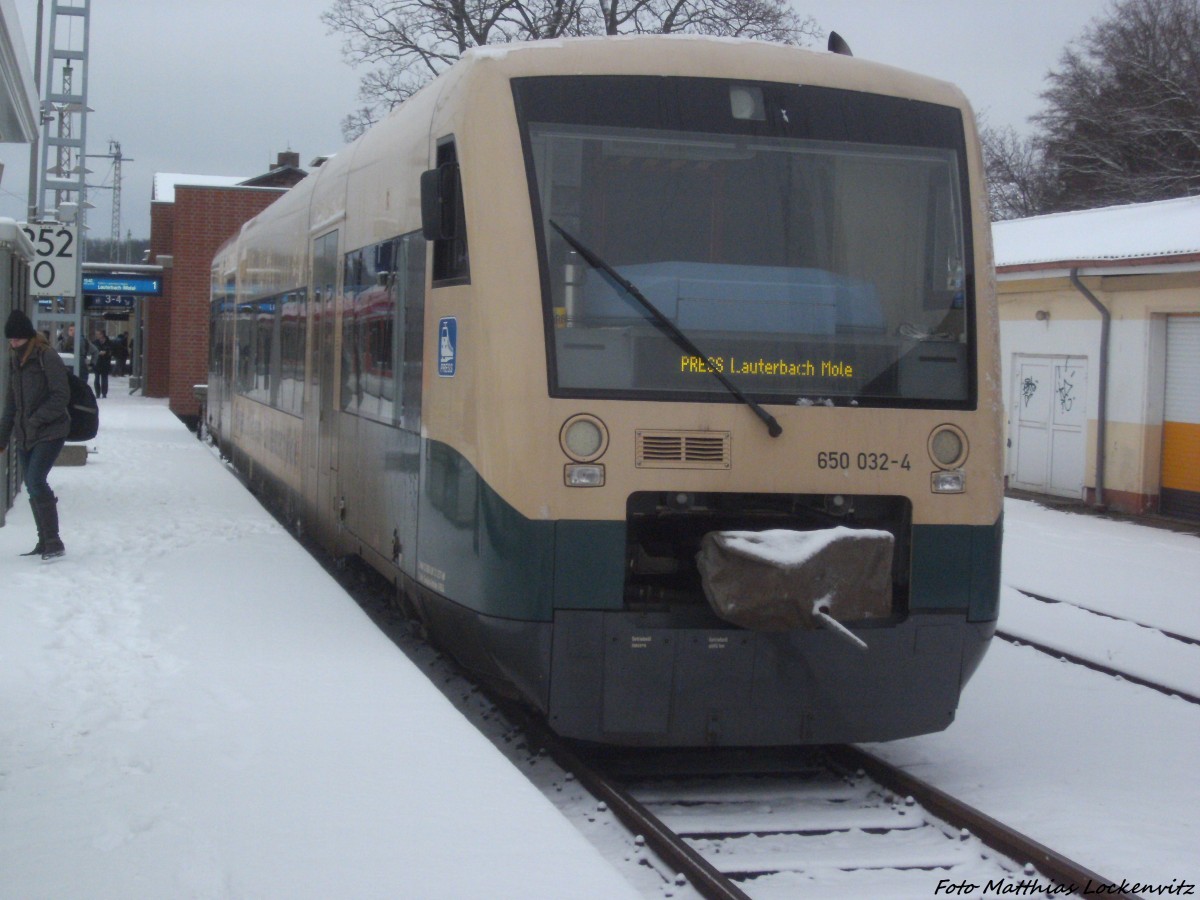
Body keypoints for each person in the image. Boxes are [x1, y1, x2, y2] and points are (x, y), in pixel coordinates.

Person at [0, 309, 70, 559]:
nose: (13, 343)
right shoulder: (15, 360)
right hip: (25, 433)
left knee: (35, 480)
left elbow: (61, 395)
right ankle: (44, 540)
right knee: (32, 484)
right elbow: (11, 403)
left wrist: (36, 419)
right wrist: (3, 436)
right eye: (10, 340)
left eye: (17, 339)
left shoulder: (46, 356)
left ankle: (54, 540)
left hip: (50, 430)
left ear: (28, 337)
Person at [91, 332, 112, 398]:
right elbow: (92, 351)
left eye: (99, 334)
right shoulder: (95, 343)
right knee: (96, 379)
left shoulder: (109, 343)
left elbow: (111, 351)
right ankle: (97, 393)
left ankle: (104, 393)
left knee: (104, 379)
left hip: (105, 363)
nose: (97, 335)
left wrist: (106, 353)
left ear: (103, 335)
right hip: (97, 363)